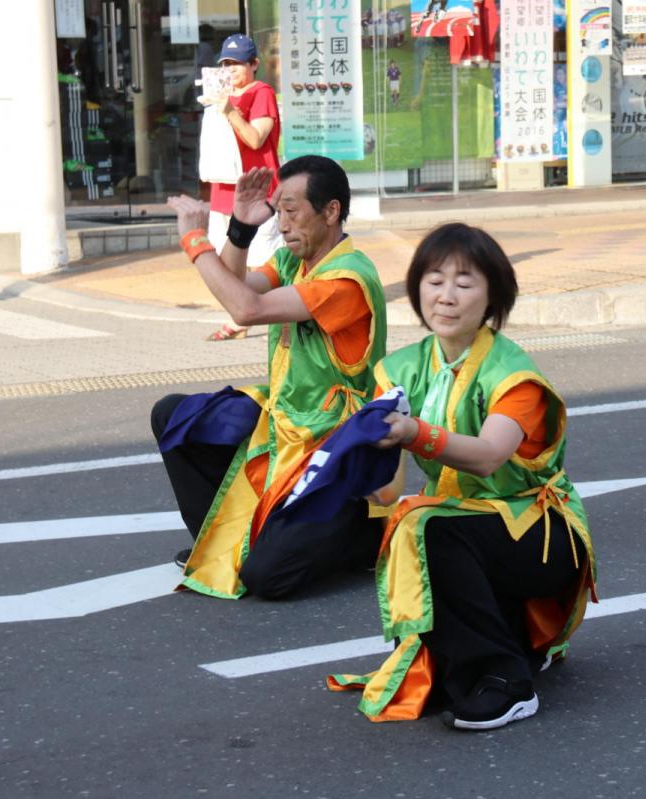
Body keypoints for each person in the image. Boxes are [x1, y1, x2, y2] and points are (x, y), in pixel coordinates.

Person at [329, 223, 596, 731]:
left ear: (493, 295)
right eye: (434, 280)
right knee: (410, 522)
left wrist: (413, 433)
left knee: (427, 527)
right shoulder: (400, 369)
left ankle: (507, 682)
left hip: (540, 533)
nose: (445, 296)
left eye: (464, 282)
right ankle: (500, 648)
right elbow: (388, 489)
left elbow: (489, 456)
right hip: (469, 529)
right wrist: (343, 465)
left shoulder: (512, 372)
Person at [156, 156, 388, 600]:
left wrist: (195, 240)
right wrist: (240, 229)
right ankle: (219, 538)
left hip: (333, 445)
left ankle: (362, 530)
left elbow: (247, 310)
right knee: (174, 417)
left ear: (331, 211)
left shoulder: (347, 278)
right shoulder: (291, 260)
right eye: (278, 211)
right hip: (284, 421)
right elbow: (235, 287)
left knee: (267, 578)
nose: (282, 224)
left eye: (292, 211)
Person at [205, 33, 282, 340]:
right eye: (226, 63)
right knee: (229, 258)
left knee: (264, 258)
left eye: (237, 63)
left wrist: (229, 110)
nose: (231, 69)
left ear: (254, 64)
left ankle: (280, 315)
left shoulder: (262, 92)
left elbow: (255, 138)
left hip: (257, 190)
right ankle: (241, 315)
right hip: (224, 190)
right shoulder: (220, 96)